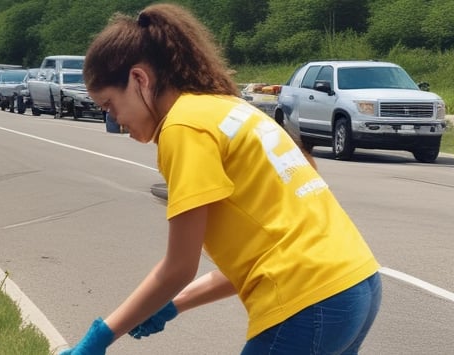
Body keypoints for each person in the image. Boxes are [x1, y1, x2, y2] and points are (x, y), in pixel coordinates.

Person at [61, 4, 380, 354]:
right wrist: (172, 304)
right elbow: (260, 257)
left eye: (109, 105)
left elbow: (179, 267)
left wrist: (99, 339)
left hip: (307, 302)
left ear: (139, 79)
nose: (115, 120)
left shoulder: (183, 127)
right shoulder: (225, 106)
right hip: (356, 285)